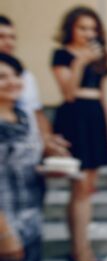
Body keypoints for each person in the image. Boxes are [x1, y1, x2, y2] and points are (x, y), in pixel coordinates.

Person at [51, 6, 107, 261]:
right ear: (71, 29)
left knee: (87, 188)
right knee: (79, 188)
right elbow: (67, 93)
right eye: (82, 28)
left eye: (92, 28)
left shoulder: (100, 56)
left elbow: (104, 96)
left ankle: (81, 249)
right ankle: (80, 252)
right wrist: (80, 62)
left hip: (95, 118)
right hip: (73, 119)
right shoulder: (62, 55)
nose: (88, 33)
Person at [0, 54, 44, 261]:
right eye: (2, 77)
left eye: (16, 75)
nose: (12, 82)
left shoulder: (24, 117)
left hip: (30, 221)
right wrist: (4, 234)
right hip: (5, 223)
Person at [0, 15, 70, 157]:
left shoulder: (25, 76)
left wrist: (48, 140)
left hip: (25, 150)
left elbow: (36, 112)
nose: (9, 42)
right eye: (2, 37)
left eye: (12, 37)